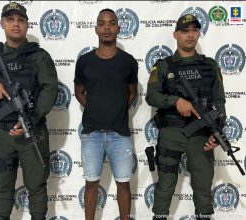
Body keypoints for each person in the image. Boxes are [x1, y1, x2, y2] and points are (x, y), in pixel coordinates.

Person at [0, 2, 58, 220]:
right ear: (2, 23)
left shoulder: (39, 56)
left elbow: (50, 89)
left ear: (27, 25)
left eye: (20, 20)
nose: (16, 24)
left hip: (32, 132)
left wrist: (33, 117)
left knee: (36, 185)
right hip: (1, 134)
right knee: (2, 186)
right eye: (10, 20)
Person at [146, 14, 226, 220]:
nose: (190, 35)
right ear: (175, 35)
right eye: (184, 31)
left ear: (199, 33)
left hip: (202, 135)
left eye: (194, 30)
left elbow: (219, 100)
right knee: (165, 186)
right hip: (171, 133)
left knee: (203, 187)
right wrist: (176, 102)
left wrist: (217, 132)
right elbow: (152, 96)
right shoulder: (163, 65)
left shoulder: (210, 65)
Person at [74, 8, 138, 220]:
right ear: (96, 29)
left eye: (111, 23)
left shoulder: (128, 62)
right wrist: (94, 108)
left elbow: (131, 93)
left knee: (123, 183)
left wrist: (116, 109)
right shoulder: (84, 61)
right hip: (91, 133)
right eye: (102, 23)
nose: (107, 27)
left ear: (118, 28)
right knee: (91, 183)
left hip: (120, 134)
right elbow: (79, 91)